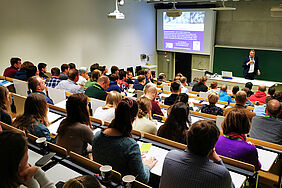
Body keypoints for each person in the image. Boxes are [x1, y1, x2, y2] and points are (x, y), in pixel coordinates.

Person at [92, 98, 157, 183]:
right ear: (134, 119)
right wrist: (146, 166)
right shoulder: (131, 146)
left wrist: (136, 159)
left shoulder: (97, 136)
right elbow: (143, 180)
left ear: (115, 112)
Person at [160, 120, 233, 188]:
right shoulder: (221, 175)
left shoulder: (170, 155)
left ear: (187, 137)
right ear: (213, 146)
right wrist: (218, 161)